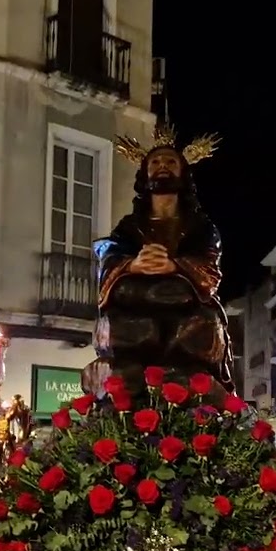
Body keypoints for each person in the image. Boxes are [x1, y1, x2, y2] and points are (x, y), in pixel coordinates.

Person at [89, 125, 233, 392]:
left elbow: (210, 267)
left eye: (170, 161)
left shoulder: (200, 226)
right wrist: (133, 264)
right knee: (129, 295)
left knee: (190, 308)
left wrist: (174, 265)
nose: (162, 166)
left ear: (183, 172)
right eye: (155, 161)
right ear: (145, 173)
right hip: (137, 295)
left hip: (182, 299)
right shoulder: (130, 226)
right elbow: (109, 254)